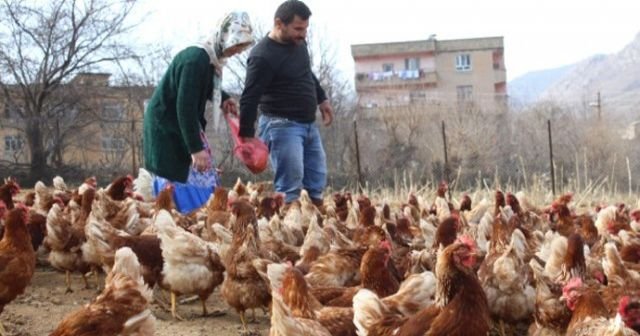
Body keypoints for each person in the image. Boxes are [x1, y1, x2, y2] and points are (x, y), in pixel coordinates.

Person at [143, 12, 253, 213]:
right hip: (168, 126)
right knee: (183, 173)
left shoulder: (207, 59)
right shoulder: (195, 60)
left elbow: (202, 86)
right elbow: (184, 106)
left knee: (201, 174)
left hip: (179, 123)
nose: (238, 51)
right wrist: (195, 148)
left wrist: (224, 97)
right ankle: (185, 218)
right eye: (237, 45)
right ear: (226, 38)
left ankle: (193, 219)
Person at [238, 0, 333, 208]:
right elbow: (249, 97)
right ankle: (288, 233)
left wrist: (322, 99)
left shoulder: (298, 44)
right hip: (281, 125)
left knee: (316, 182)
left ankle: (314, 231)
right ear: (279, 23)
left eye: (306, 29)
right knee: (290, 187)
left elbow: (307, 73)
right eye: (298, 28)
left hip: (308, 125)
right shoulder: (262, 56)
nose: (303, 34)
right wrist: (246, 135)